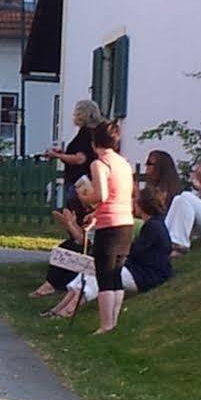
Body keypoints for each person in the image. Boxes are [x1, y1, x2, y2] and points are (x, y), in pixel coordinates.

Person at [51, 185, 173, 318]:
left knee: (101, 272)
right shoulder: (153, 224)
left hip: (146, 275)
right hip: (140, 271)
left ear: (143, 205)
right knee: (91, 270)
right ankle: (61, 307)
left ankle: (69, 309)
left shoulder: (153, 227)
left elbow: (136, 252)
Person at [85, 120, 135, 334]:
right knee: (116, 274)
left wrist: (88, 197)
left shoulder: (99, 163)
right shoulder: (124, 163)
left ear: (94, 142)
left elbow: (102, 195)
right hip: (126, 222)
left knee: (104, 275)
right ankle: (113, 322)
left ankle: (105, 325)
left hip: (109, 225)